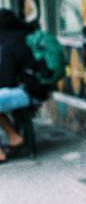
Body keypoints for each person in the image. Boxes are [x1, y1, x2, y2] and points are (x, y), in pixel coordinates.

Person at [0, 9, 44, 162]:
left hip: (28, 92)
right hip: (38, 90)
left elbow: (7, 79)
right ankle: (14, 137)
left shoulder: (9, 43)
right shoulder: (23, 36)